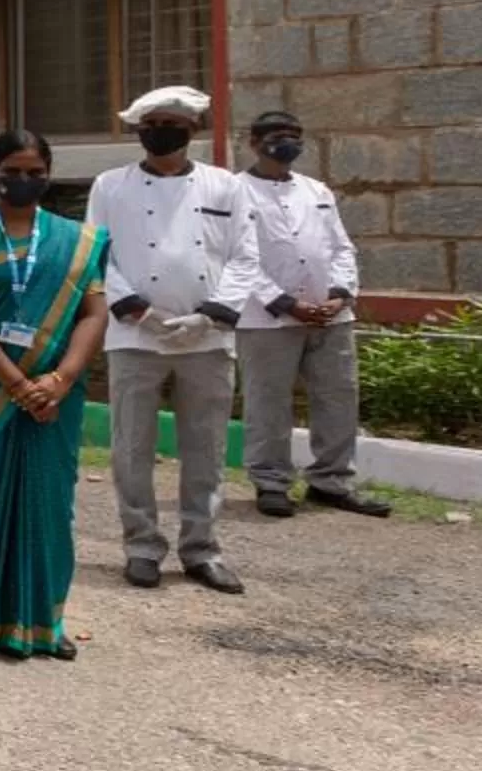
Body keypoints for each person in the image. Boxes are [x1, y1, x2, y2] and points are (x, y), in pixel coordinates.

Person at [0, 132, 109, 659]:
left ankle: (42, 624)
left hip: (54, 395)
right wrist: (16, 383)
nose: (25, 179)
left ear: (48, 173)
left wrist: (60, 379)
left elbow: (94, 313)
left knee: (49, 506)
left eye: (35, 170)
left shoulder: (77, 239)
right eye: (14, 169)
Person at [86, 87, 263, 595]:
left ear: (192, 130)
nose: (162, 130)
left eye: (172, 122)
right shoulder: (109, 186)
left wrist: (210, 317)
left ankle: (201, 548)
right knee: (131, 446)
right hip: (134, 336)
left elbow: (245, 257)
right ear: (139, 129)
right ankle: (140, 545)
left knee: (205, 447)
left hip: (206, 340)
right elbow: (97, 253)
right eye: (153, 121)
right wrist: (135, 309)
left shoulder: (225, 186)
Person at [239, 109, 392, 522]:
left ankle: (332, 481)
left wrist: (340, 295)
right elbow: (237, 258)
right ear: (253, 142)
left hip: (330, 317)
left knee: (339, 398)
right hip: (267, 320)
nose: (286, 141)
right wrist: (287, 304)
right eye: (276, 135)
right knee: (268, 402)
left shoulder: (317, 190)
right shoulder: (233, 193)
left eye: (294, 135)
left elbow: (341, 248)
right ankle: (270, 481)